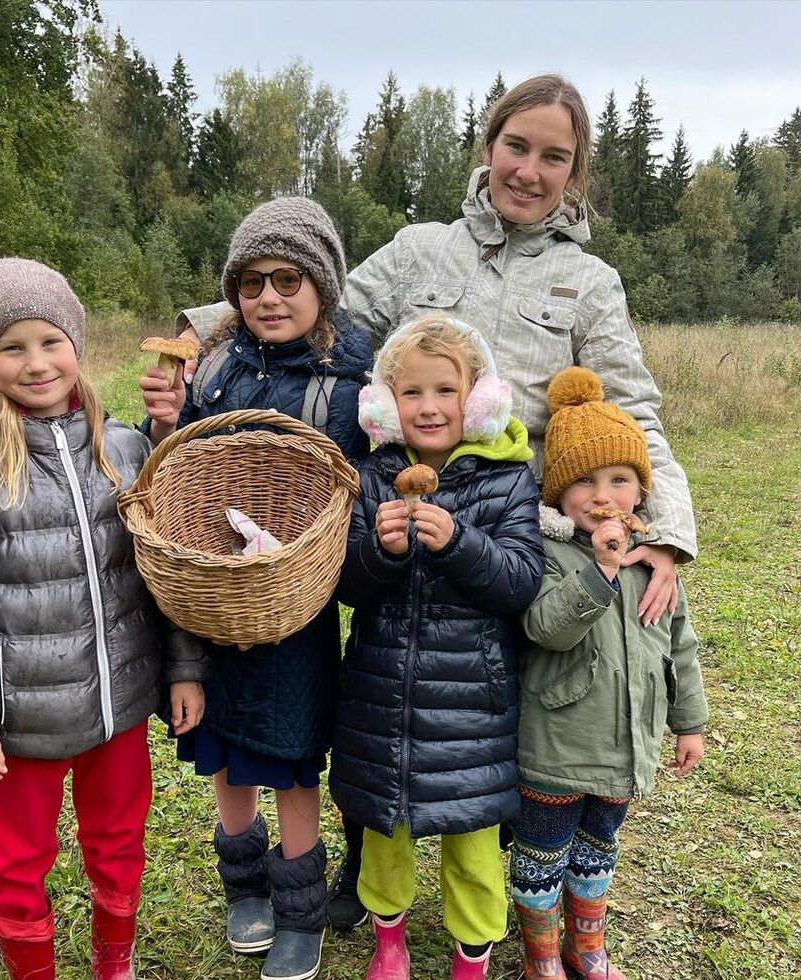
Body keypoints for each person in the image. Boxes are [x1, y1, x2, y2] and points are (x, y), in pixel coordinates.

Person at [166, 73, 699, 929]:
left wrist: (665, 532)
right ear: (489, 147)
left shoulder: (589, 283)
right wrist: (203, 324)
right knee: (380, 688)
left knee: (502, 711)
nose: (530, 170)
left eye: (554, 157)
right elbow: (315, 300)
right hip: (398, 509)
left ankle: (509, 892)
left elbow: (634, 410)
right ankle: (365, 855)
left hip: (519, 522)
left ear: (575, 171)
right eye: (517, 146)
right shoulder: (421, 250)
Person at [0, 258, 208, 980]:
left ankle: (115, 970)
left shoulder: (121, 447)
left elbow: (163, 569)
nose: (37, 362)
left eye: (51, 340)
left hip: (117, 706)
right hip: (22, 720)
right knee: (19, 858)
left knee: (119, 839)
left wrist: (182, 668)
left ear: (75, 343)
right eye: (12, 347)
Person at [139, 197, 372, 980]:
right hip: (213, 597)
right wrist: (169, 422)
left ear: (323, 286)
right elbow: (183, 471)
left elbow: (361, 485)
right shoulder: (216, 366)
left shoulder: (350, 380)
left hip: (296, 605)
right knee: (226, 751)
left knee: (293, 758)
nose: (269, 297)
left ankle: (301, 908)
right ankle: (245, 888)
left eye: (288, 279)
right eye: (251, 282)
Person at [331, 316, 544, 980]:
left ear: (477, 398)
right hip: (380, 695)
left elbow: (520, 581)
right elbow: (347, 587)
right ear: (386, 404)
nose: (428, 406)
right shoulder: (369, 476)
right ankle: (388, 940)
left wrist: (461, 543)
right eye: (411, 391)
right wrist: (379, 552)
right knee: (383, 832)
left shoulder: (509, 478)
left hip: (472, 706)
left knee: (475, 844)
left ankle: (469, 966)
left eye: (445, 390)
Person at [511, 365, 707, 980]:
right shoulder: (547, 552)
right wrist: (599, 568)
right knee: (542, 850)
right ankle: (541, 956)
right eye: (585, 484)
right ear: (560, 494)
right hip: (559, 742)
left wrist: (689, 723)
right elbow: (546, 627)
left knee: (600, 845)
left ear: (641, 490)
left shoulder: (655, 561)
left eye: (619, 481)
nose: (604, 497)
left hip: (628, 743)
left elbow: (679, 646)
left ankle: (586, 945)